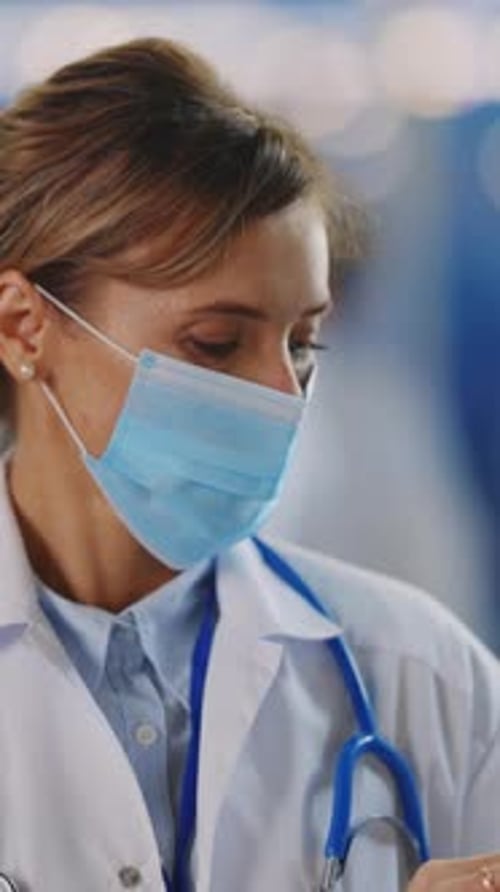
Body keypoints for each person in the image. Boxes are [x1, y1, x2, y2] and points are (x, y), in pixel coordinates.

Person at [0, 37, 498, 892]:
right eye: (216, 342)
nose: (281, 392)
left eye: (304, 344)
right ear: (23, 329)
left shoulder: (423, 675)